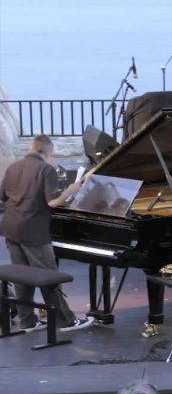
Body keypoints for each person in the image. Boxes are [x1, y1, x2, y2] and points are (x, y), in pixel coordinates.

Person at [0, 134, 94, 332]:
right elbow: (53, 202)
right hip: (33, 232)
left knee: (22, 277)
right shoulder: (46, 169)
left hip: (10, 228)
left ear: (31, 148)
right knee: (48, 275)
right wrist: (72, 190)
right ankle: (66, 321)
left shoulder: (13, 167)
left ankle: (28, 321)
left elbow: (3, 197)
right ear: (47, 151)